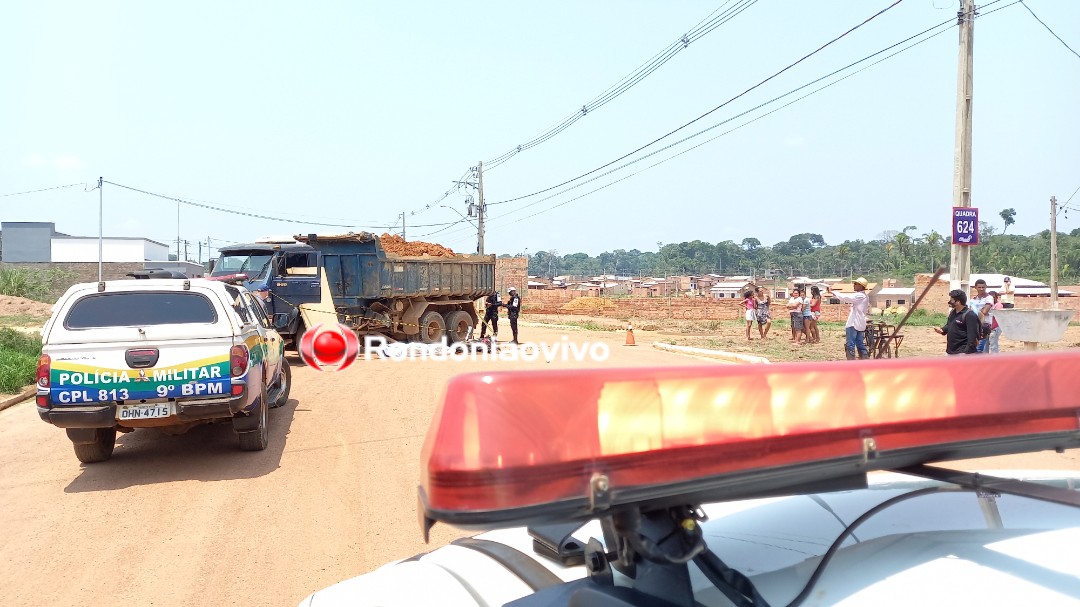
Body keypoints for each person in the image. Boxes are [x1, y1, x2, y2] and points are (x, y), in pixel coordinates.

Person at [825, 277, 869, 360]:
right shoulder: (864, 296)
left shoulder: (860, 295)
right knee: (860, 343)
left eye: (856, 284)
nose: (854, 285)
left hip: (853, 323)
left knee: (850, 345)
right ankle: (865, 361)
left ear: (861, 286)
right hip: (860, 323)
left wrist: (833, 292)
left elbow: (845, 297)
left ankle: (851, 362)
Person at [934, 289, 980, 354]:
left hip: (962, 352)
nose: (949, 302)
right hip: (951, 350)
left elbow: (972, 337)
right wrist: (942, 330)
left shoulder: (969, 315)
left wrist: (966, 353)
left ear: (958, 302)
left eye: (951, 300)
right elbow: (949, 324)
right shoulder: (953, 312)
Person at [969, 279, 994, 353]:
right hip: (974, 325)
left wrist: (975, 310)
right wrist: (980, 309)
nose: (981, 289)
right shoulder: (973, 299)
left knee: (980, 348)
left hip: (984, 325)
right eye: (979, 287)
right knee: (975, 347)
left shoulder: (989, 298)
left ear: (986, 287)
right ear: (975, 287)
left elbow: (985, 312)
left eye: (983, 287)